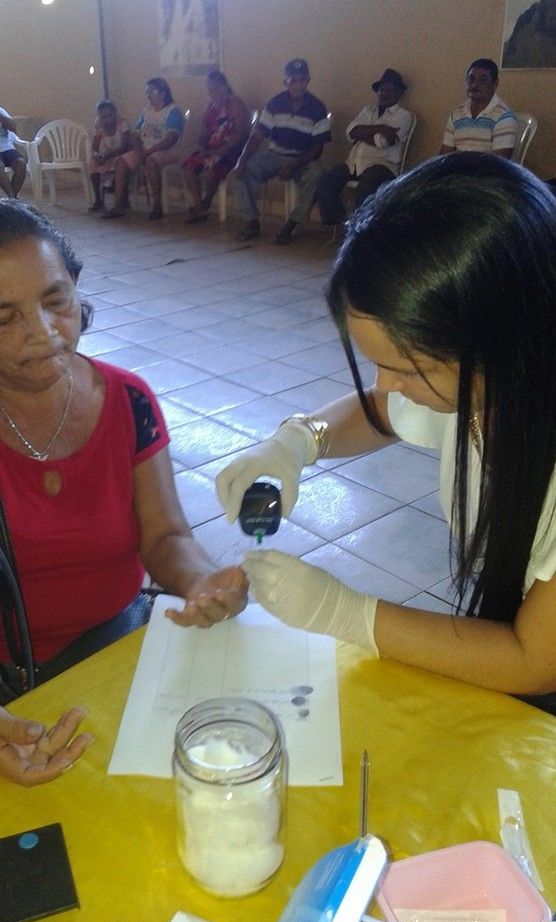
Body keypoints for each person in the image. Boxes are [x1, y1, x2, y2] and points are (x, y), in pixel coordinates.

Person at [0, 199, 248, 784]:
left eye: (56, 301)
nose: (44, 333)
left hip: (113, 646)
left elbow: (165, 536)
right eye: (4, 317)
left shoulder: (128, 399)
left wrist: (201, 581)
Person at [212, 153, 556, 714]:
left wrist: (349, 615)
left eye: (409, 369)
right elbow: (379, 410)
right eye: (378, 363)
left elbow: (534, 661)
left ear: (500, 338)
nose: (387, 385)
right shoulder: (484, 384)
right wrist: (297, 442)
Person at [234, 58, 330, 245]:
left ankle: (292, 225)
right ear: (285, 82)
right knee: (245, 169)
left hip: (303, 159)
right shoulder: (274, 104)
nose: (298, 84)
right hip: (274, 156)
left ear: (308, 81)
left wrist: (294, 165)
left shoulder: (317, 107)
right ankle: (252, 222)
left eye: (302, 79)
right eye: (293, 80)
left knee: (317, 174)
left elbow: (317, 149)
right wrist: (241, 160)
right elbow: (257, 136)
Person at [316, 68, 413, 226]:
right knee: (325, 182)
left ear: (399, 94)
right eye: (382, 90)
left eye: (389, 90)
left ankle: (361, 231)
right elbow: (350, 132)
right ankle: (344, 227)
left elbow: (382, 142)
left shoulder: (403, 115)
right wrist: (381, 128)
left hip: (381, 166)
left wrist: (363, 133)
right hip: (353, 165)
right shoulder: (368, 110)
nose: (384, 93)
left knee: (365, 189)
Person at [103, 77, 185, 220]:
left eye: (152, 91)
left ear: (163, 93)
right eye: (147, 92)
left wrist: (148, 153)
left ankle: (157, 205)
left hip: (167, 151)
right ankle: (119, 204)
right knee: (121, 162)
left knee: (150, 162)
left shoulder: (173, 112)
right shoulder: (145, 112)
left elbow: (170, 139)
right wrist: (140, 151)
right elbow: (135, 135)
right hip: (144, 149)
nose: (148, 95)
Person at [181, 70, 248, 224]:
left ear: (225, 86)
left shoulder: (236, 103)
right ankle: (199, 206)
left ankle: (206, 202)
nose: (213, 92)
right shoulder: (210, 108)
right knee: (188, 167)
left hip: (231, 150)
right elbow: (203, 134)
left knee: (213, 168)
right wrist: (202, 148)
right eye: (210, 88)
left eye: (217, 87)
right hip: (212, 149)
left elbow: (240, 133)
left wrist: (221, 150)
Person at [440, 58, 516, 159]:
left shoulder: (504, 117)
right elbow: (444, 157)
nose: (474, 84)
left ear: (495, 83)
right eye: (471, 79)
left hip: (486, 169)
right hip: (459, 168)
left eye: (482, 80)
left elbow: (499, 164)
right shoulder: (456, 115)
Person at [88, 99, 130, 213]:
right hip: (107, 155)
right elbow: (94, 146)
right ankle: (98, 201)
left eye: (109, 115)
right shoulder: (98, 125)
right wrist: (96, 156)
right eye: (102, 116)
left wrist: (108, 156)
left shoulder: (122, 124)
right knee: (93, 163)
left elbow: (125, 147)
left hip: (121, 154)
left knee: (120, 163)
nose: (106, 119)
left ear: (114, 113)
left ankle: (121, 200)